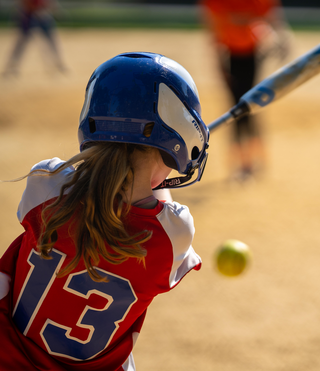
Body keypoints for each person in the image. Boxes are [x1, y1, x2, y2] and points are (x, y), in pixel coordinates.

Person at [0, 52, 210, 370]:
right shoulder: (174, 234)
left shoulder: (47, 184)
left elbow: (103, 188)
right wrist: (164, 159)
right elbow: (156, 203)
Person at [198, 0, 289, 181]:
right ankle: (243, 162)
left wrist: (280, 42)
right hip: (229, 56)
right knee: (237, 109)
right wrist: (220, 67)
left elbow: (274, 24)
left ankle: (255, 161)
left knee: (249, 107)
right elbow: (214, 34)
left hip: (254, 55)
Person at [2, 0, 67, 77]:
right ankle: (12, 67)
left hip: (43, 15)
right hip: (29, 15)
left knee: (51, 41)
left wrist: (55, 11)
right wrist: (31, 11)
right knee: (21, 43)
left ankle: (58, 65)